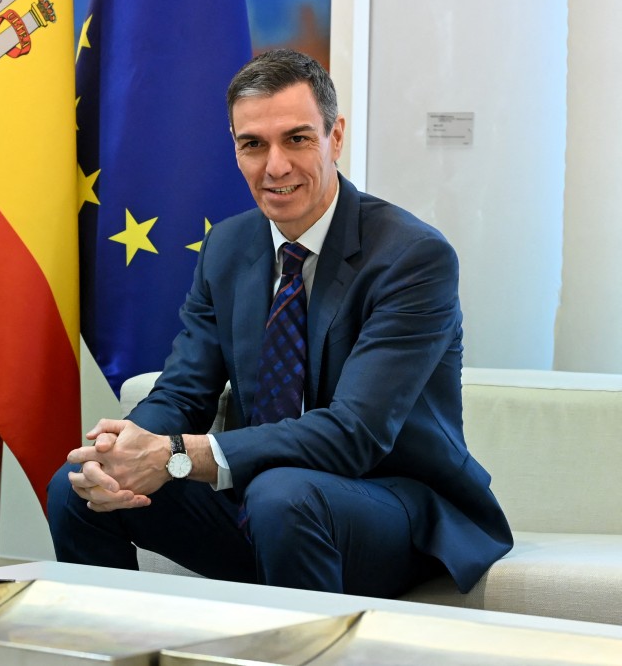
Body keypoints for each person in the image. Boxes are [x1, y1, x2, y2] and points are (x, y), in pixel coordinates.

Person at [48, 49, 512, 598]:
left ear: (335, 137)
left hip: (393, 507)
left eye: (297, 139)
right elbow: (183, 391)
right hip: (270, 500)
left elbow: (354, 435)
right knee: (74, 488)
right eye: (253, 145)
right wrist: (131, 448)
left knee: (281, 497)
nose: (275, 167)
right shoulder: (227, 247)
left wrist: (176, 455)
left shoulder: (412, 258)